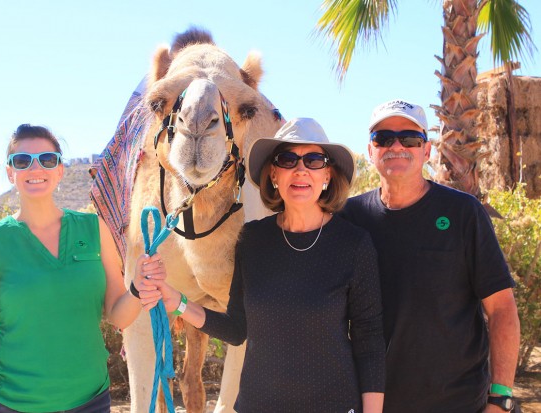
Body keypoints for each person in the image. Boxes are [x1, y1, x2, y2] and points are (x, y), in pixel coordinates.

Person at [140, 117, 386, 413]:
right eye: (287, 159)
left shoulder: (353, 245)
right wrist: (176, 301)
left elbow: (369, 340)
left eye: (314, 160)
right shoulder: (253, 240)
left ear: (327, 176)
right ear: (273, 175)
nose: (300, 169)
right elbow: (237, 328)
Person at [0, 124, 164, 413]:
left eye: (47, 159)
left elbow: (118, 314)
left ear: (59, 170)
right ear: (10, 173)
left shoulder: (94, 230)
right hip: (13, 403)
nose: (35, 168)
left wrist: (138, 289)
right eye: (22, 161)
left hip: (90, 400)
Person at [340, 100, 520, 413]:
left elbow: (502, 308)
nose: (396, 146)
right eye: (383, 138)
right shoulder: (349, 218)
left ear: (427, 151)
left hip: (458, 404)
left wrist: (500, 399)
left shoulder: (463, 213)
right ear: (370, 152)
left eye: (409, 138)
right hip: (372, 404)